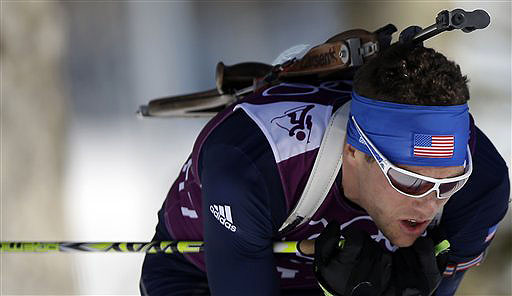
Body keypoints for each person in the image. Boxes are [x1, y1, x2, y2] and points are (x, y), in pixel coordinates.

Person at [139, 43, 510, 295]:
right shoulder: (255, 163)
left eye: (447, 184)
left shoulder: (481, 186)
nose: (430, 205)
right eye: (409, 181)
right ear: (354, 151)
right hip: (201, 275)